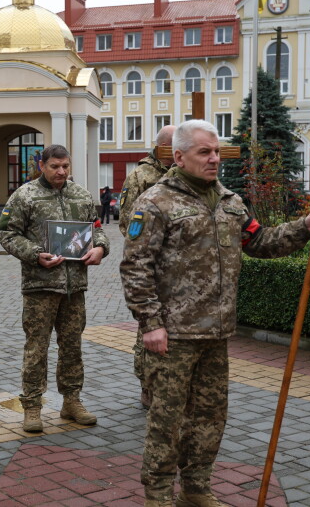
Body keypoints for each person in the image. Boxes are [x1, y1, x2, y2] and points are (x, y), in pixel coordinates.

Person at [120, 120, 310, 507]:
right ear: (179, 156)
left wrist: (303, 226)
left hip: (216, 334)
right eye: (204, 152)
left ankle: (196, 488)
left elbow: (261, 241)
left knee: (210, 417)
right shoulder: (155, 202)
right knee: (166, 421)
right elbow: (136, 267)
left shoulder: (230, 202)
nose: (214, 159)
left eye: (216, 151)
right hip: (173, 336)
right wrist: (150, 324)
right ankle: (159, 495)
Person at [0, 144, 110, 433]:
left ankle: (71, 401)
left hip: (74, 287)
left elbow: (96, 228)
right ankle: (32, 406)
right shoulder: (25, 196)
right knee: (37, 348)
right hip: (40, 286)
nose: (61, 172)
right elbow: (6, 232)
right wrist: (35, 254)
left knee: (72, 347)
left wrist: (100, 247)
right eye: (55, 166)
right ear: (42, 166)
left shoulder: (81, 195)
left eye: (65, 166)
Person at [119, 124, 176, 409]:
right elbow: (127, 221)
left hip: (180, 268)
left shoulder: (183, 172)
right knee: (150, 325)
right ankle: (147, 384)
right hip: (151, 265)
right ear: (163, 147)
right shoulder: (141, 176)